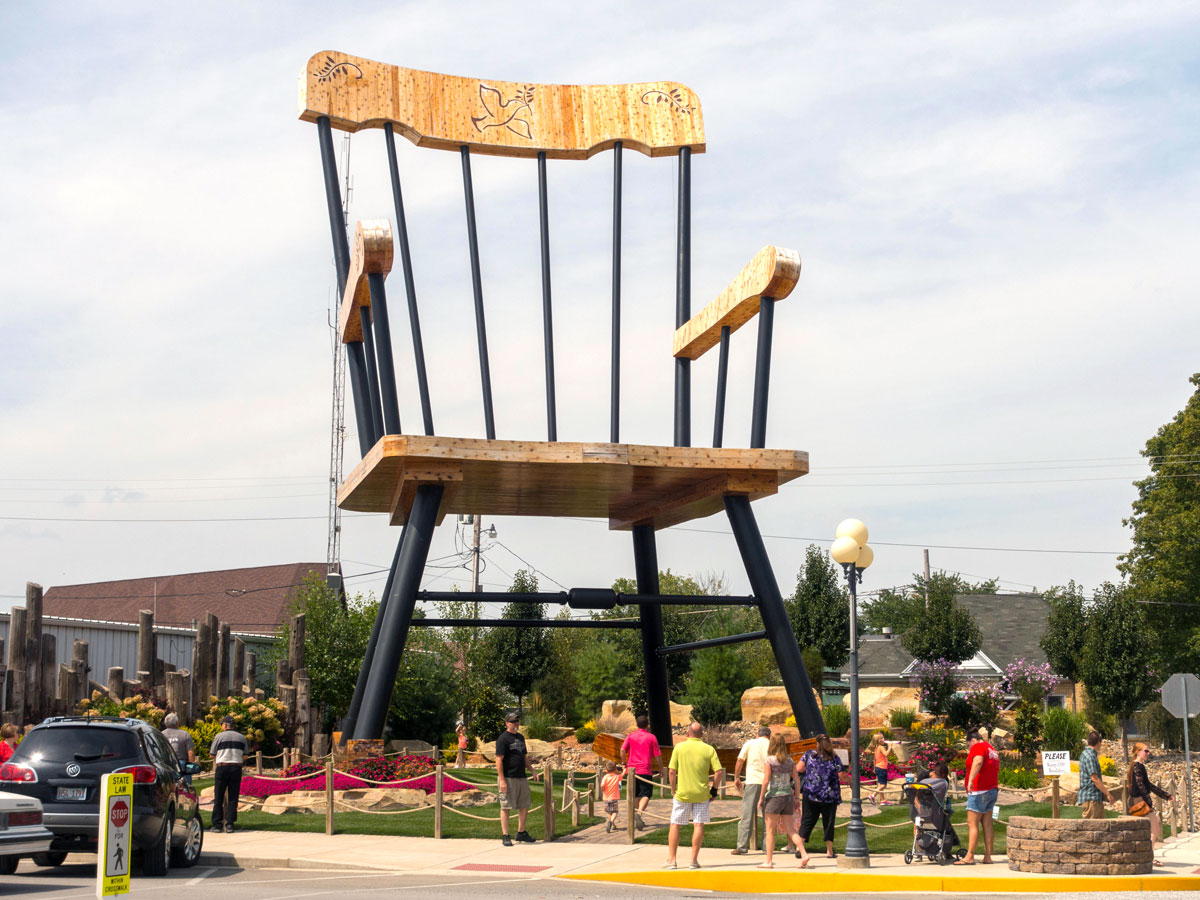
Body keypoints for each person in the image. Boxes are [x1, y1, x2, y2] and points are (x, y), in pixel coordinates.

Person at [665, 722, 724, 870]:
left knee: (675, 824)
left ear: (687, 733)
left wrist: (673, 790)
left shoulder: (679, 747)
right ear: (702, 734)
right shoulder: (709, 749)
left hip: (682, 793)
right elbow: (719, 772)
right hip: (702, 794)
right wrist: (714, 790)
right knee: (698, 825)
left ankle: (672, 860)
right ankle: (693, 860)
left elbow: (672, 771)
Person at [757, 734, 808, 869]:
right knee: (791, 830)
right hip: (788, 796)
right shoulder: (790, 761)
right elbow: (796, 779)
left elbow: (766, 780)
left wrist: (761, 798)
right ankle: (803, 854)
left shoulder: (770, 760)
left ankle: (768, 861)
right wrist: (797, 797)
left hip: (774, 796)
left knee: (770, 831)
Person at [955, 729, 1000, 865]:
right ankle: (988, 856)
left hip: (979, 790)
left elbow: (978, 761)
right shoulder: (991, 748)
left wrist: (970, 781)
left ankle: (969, 856)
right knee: (987, 824)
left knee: (972, 824)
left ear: (972, 741)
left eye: (969, 745)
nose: (970, 749)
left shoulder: (978, 747)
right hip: (992, 790)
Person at [496, 711, 540, 846]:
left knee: (524, 805)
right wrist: (502, 780)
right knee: (506, 807)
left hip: (521, 777)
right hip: (508, 778)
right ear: (507, 723)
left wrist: (532, 771)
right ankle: (505, 835)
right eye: (513, 722)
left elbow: (524, 757)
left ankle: (521, 832)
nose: (516, 724)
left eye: (517, 721)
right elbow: (498, 760)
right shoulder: (502, 739)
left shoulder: (521, 738)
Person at [796, 734, 843, 859]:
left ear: (817, 743)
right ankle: (829, 851)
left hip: (810, 794)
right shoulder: (834, 758)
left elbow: (799, 768)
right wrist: (850, 782)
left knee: (807, 820)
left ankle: (799, 847)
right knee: (828, 822)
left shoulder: (808, 755)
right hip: (829, 795)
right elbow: (842, 775)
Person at [731, 725, 771, 855]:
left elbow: (740, 760)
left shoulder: (750, 743)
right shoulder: (772, 745)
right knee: (768, 817)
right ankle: (767, 847)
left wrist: (736, 777)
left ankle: (742, 846)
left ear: (757, 734)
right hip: (769, 782)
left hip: (752, 780)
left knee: (746, 814)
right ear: (769, 735)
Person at [1128, 741, 1171, 860]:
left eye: (1148, 751)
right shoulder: (1137, 766)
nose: (1148, 753)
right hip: (1139, 802)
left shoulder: (1137, 765)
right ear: (1138, 752)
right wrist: (1148, 802)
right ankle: (1149, 857)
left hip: (1138, 801)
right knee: (1154, 829)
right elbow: (1141, 785)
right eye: (1146, 751)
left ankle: (1146, 856)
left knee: (1144, 830)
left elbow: (1148, 785)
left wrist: (1165, 795)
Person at [621, 715, 662, 830]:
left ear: (637, 725)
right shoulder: (652, 737)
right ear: (647, 725)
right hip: (645, 770)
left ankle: (637, 816)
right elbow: (658, 755)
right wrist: (660, 768)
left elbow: (622, 749)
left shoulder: (631, 736)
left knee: (635, 794)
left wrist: (624, 763)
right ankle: (639, 814)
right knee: (646, 794)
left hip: (631, 770)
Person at [210, 716, 248, 834]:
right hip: (236, 768)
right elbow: (245, 755)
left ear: (225, 725)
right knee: (233, 797)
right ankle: (230, 824)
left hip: (222, 767)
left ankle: (217, 824)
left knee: (218, 797)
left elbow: (212, 754)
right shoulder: (241, 737)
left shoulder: (219, 737)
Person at [1077, 731, 1114, 819]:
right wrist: (1108, 794)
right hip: (1091, 799)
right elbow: (1094, 779)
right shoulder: (1090, 756)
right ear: (1098, 743)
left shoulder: (1086, 754)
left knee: (1101, 830)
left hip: (1095, 799)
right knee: (1090, 830)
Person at [161, 712, 196, 785]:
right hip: (182, 764)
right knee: (187, 788)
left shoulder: (161, 735)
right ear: (177, 723)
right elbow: (190, 752)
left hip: (167, 765)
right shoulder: (185, 734)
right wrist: (191, 767)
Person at [601, 761, 623, 833]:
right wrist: (625, 769)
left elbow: (602, 785)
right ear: (615, 769)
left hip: (606, 798)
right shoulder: (617, 777)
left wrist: (603, 789)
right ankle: (611, 822)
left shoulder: (605, 777)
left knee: (609, 812)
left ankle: (612, 825)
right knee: (615, 812)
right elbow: (622, 775)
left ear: (606, 770)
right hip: (614, 798)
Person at [869, 733, 891, 804]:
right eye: (881, 738)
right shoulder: (881, 747)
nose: (883, 739)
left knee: (879, 784)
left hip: (878, 767)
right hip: (882, 768)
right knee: (883, 785)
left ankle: (882, 800)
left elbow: (875, 759)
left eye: (883, 738)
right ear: (877, 740)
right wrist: (890, 747)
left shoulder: (876, 747)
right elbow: (886, 754)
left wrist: (875, 767)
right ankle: (873, 795)